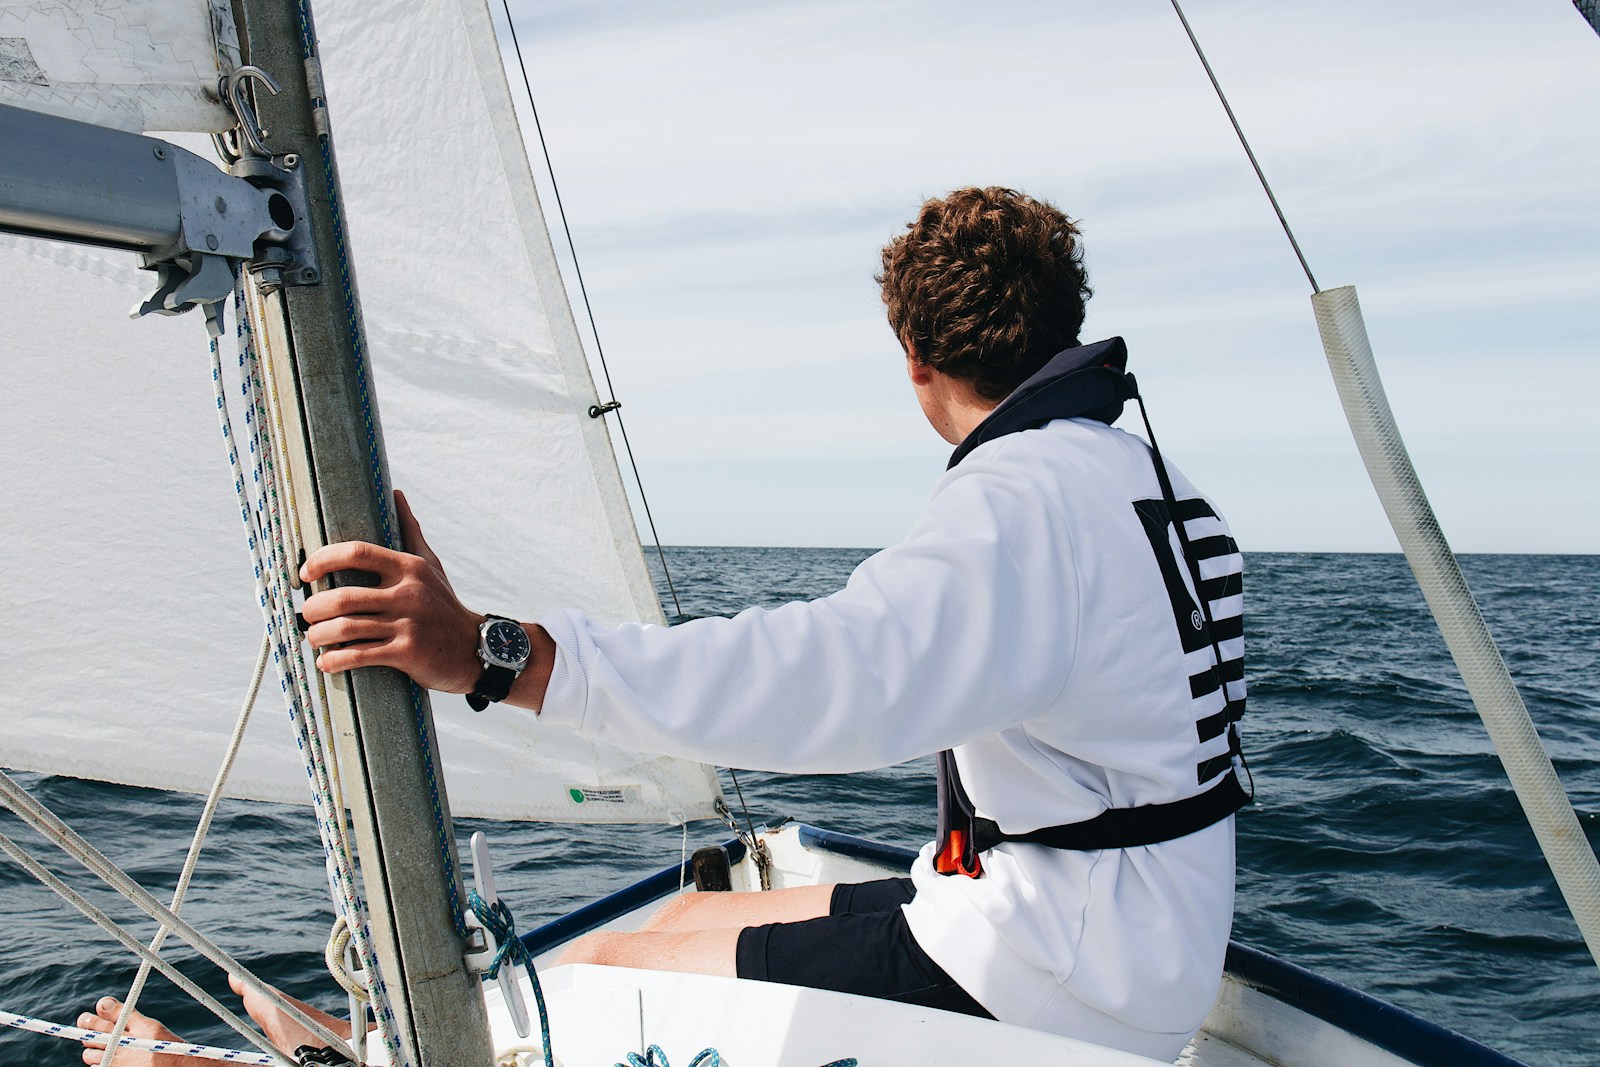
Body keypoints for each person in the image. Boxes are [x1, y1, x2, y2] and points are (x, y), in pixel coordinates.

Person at [82, 186, 1246, 1064]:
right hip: (1125, 929)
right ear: (1064, 325)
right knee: (690, 912)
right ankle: (379, 1044)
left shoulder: (1022, 501)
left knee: (605, 979)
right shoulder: (1151, 480)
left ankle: (365, 1057)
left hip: (1061, 969)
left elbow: (829, 676)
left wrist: (496, 654)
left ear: (914, 359)